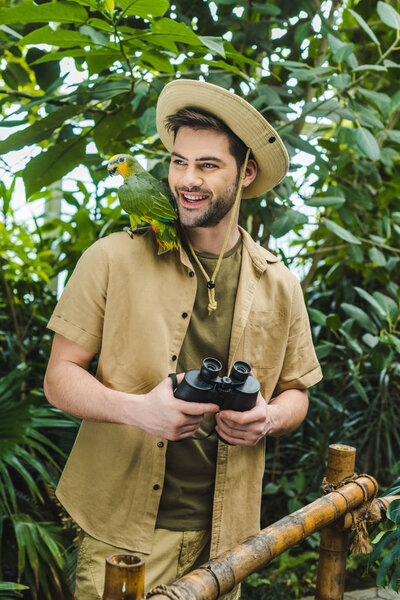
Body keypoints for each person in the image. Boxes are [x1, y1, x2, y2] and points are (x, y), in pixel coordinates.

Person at [44, 79, 322, 600]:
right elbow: (58, 381)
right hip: (123, 535)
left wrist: (269, 417)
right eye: (177, 162)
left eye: (207, 165)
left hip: (229, 538)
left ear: (247, 172)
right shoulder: (112, 258)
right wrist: (137, 410)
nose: (186, 180)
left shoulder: (279, 282)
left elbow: (297, 394)